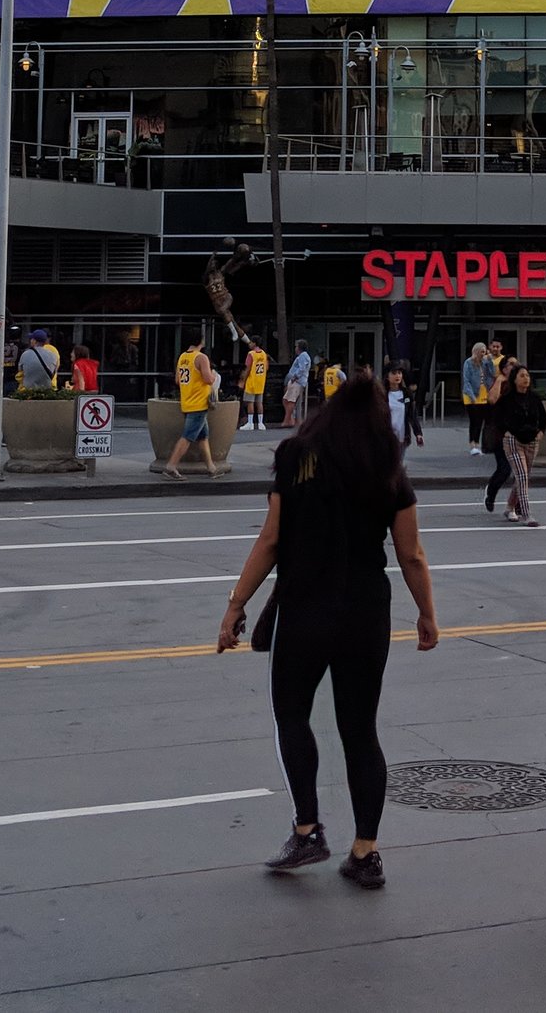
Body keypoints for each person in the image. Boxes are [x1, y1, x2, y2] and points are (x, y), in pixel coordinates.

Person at [216, 362, 439, 889]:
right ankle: (366, 852)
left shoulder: (296, 459)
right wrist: (427, 613)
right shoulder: (387, 467)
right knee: (361, 730)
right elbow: (411, 555)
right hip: (366, 609)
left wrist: (235, 605)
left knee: (292, 716)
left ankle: (307, 828)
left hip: (305, 608)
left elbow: (270, 541)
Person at [491, 360, 544, 526]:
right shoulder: (507, 399)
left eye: (527, 375)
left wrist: (541, 431)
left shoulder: (534, 398)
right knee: (521, 474)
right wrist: (506, 432)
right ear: (514, 379)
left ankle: (509, 507)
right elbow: (497, 417)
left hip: (532, 440)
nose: (525, 379)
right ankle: (527, 514)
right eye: (522, 376)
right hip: (514, 440)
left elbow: (543, 416)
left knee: (524, 476)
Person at [166, 338, 221, 480]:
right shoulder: (201, 357)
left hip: (187, 401)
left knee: (203, 436)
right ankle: (171, 466)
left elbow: (178, 380)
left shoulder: (183, 357)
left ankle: (211, 468)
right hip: (199, 403)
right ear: (201, 341)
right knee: (188, 436)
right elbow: (208, 379)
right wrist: (214, 376)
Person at [482, 356, 520, 513]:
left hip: (519, 434)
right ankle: (490, 494)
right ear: (504, 369)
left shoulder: (520, 384)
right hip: (501, 434)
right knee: (504, 469)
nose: (514, 366)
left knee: (521, 472)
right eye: (511, 364)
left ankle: (517, 505)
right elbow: (492, 400)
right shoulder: (500, 384)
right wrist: (499, 380)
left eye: (516, 364)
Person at [461, 340, 496, 452]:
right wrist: (472, 396)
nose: (483, 354)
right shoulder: (468, 363)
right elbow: (466, 381)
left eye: (484, 352)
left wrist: (490, 361)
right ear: (476, 351)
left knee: (480, 421)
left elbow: (492, 373)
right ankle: (473, 444)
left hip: (483, 393)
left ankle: (477, 443)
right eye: (481, 352)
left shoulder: (484, 362)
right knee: (474, 421)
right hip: (471, 394)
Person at [283, 340, 314, 429]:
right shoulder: (303, 356)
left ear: (300, 347)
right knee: (290, 400)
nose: (295, 348)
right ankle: (294, 420)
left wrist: (295, 377)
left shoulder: (303, 356)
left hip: (297, 381)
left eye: (296, 346)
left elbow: (302, 368)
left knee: (289, 400)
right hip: (297, 381)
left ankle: (288, 420)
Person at [238, 340, 267, 429]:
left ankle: (250, 423)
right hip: (260, 381)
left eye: (251, 342)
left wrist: (243, 380)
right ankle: (260, 423)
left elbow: (248, 368)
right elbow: (266, 367)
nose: (249, 344)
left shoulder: (251, 354)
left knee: (250, 402)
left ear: (254, 343)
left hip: (252, 381)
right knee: (259, 402)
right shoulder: (263, 354)